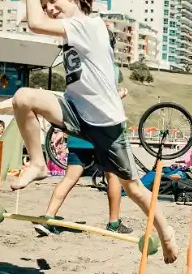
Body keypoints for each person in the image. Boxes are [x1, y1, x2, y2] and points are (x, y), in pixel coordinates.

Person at [8, 0, 177, 263]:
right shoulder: (72, 32)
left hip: (106, 125)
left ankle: (166, 233)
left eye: (53, 1)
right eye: (45, 3)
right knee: (23, 97)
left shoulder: (87, 25)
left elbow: (34, 23)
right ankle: (37, 163)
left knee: (134, 189)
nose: (49, 8)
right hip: (75, 111)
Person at [34, 57, 132, 237]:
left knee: (70, 177)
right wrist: (120, 95)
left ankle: (48, 217)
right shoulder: (108, 67)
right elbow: (104, 100)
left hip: (79, 133)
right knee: (113, 178)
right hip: (102, 133)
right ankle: (114, 223)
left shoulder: (78, 68)